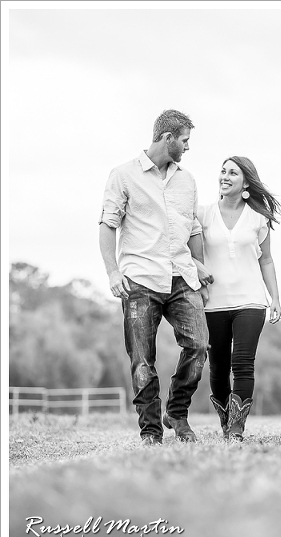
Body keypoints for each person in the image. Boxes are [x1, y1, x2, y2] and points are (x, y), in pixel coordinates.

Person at [99, 109, 208, 445]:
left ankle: (176, 411)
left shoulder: (187, 180)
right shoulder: (123, 175)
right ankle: (150, 431)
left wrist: (199, 266)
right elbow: (107, 225)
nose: (188, 147)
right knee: (142, 359)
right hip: (140, 278)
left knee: (199, 345)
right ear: (167, 138)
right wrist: (113, 272)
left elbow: (192, 227)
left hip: (180, 276)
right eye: (185, 140)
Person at [194, 156, 281, 442]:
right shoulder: (203, 213)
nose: (225, 176)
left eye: (233, 172)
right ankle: (225, 422)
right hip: (214, 302)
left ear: (246, 182)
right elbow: (186, 249)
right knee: (218, 366)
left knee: (243, 362)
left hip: (251, 300)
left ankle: (236, 429)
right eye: (223, 171)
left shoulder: (259, 217)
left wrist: (275, 298)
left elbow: (266, 260)